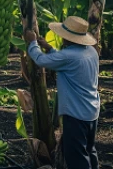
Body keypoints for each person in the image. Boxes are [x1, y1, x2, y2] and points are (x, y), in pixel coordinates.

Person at [24, 16, 100, 169]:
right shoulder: (90, 51)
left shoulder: (68, 56)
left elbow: (40, 60)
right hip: (92, 112)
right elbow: (66, 60)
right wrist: (49, 48)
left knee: (76, 157)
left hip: (76, 114)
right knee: (89, 150)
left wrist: (32, 42)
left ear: (68, 37)